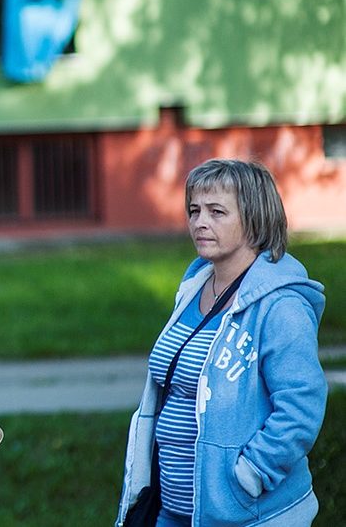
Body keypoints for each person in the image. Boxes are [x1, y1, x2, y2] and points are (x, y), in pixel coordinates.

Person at [116, 159, 326, 527]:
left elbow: (301, 406)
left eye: (217, 212)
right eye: (194, 210)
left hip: (243, 514)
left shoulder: (281, 306)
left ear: (254, 217)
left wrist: (249, 475)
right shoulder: (193, 289)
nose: (200, 222)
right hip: (172, 507)